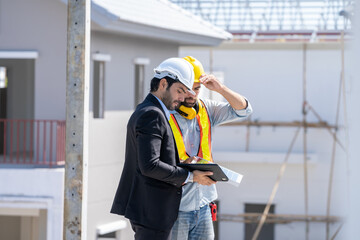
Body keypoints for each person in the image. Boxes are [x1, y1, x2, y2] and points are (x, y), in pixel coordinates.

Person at [110, 57, 216, 240]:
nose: (183, 98)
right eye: (180, 91)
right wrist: (191, 176)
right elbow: (150, 166)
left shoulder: (149, 110)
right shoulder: (152, 114)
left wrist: (183, 164)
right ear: (163, 83)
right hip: (153, 212)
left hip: (151, 211)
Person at [170, 56, 253, 240]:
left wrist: (220, 89)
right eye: (187, 89)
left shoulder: (206, 108)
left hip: (204, 204)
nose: (192, 94)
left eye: (197, 89)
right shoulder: (164, 114)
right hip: (176, 208)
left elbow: (244, 110)